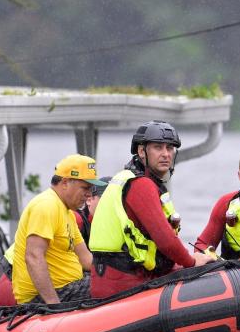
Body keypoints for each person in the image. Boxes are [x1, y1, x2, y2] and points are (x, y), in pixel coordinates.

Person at [89, 120, 216, 298]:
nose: (166, 154)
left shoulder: (132, 178)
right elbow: (165, 239)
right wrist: (192, 261)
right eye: (158, 147)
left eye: (170, 148)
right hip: (122, 284)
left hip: (122, 277)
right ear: (142, 151)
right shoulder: (141, 185)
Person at [8, 154, 106, 304]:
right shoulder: (46, 205)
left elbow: (86, 259)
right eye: (85, 188)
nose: (89, 194)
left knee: (113, 281)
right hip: (49, 295)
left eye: (92, 189)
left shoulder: (67, 212)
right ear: (65, 182)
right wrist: (54, 304)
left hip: (68, 288)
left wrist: (117, 270)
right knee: (113, 287)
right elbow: (33, 256)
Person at [75, 177, 110, 247]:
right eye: (106, 199)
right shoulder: (77, 221)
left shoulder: (121, 222)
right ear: (89, 200)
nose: (110, 204)